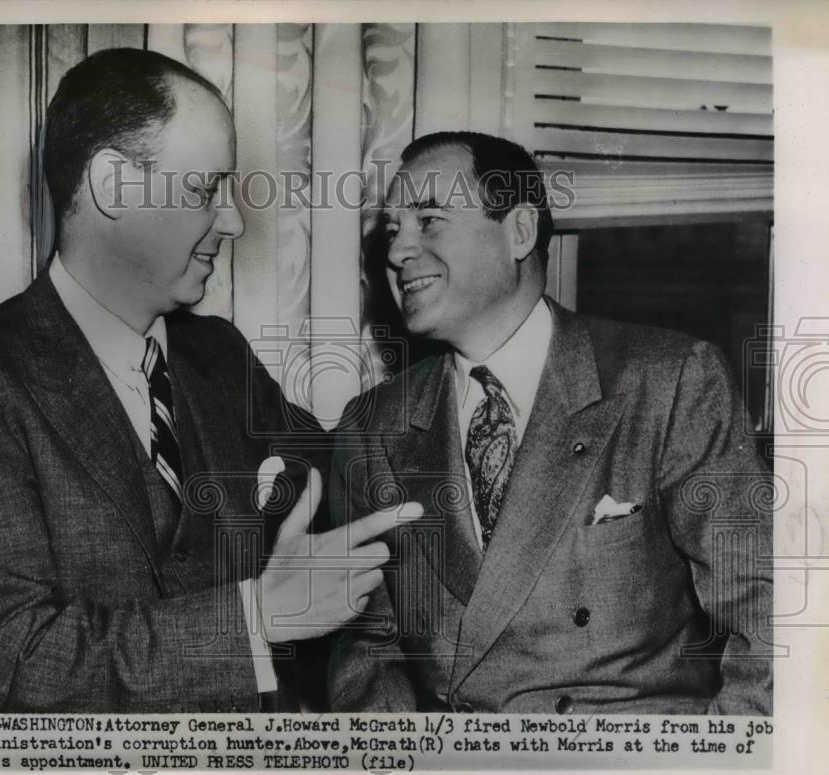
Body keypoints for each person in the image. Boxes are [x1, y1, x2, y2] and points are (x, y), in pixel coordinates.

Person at [0, 48, 418, 713]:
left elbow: (352, 478)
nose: (234, 220)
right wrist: (256, 618)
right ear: (113, 184)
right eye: (205, 190)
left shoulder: (219, 355)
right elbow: (9, 656)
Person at [328, 131, 773, 715]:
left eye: (429, 221)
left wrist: (714, 771)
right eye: (392, 231)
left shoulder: (671, 382)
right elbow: (368, 647)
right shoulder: (371, 428)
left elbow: (765, 607)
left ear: (519, 231)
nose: (397, 252)